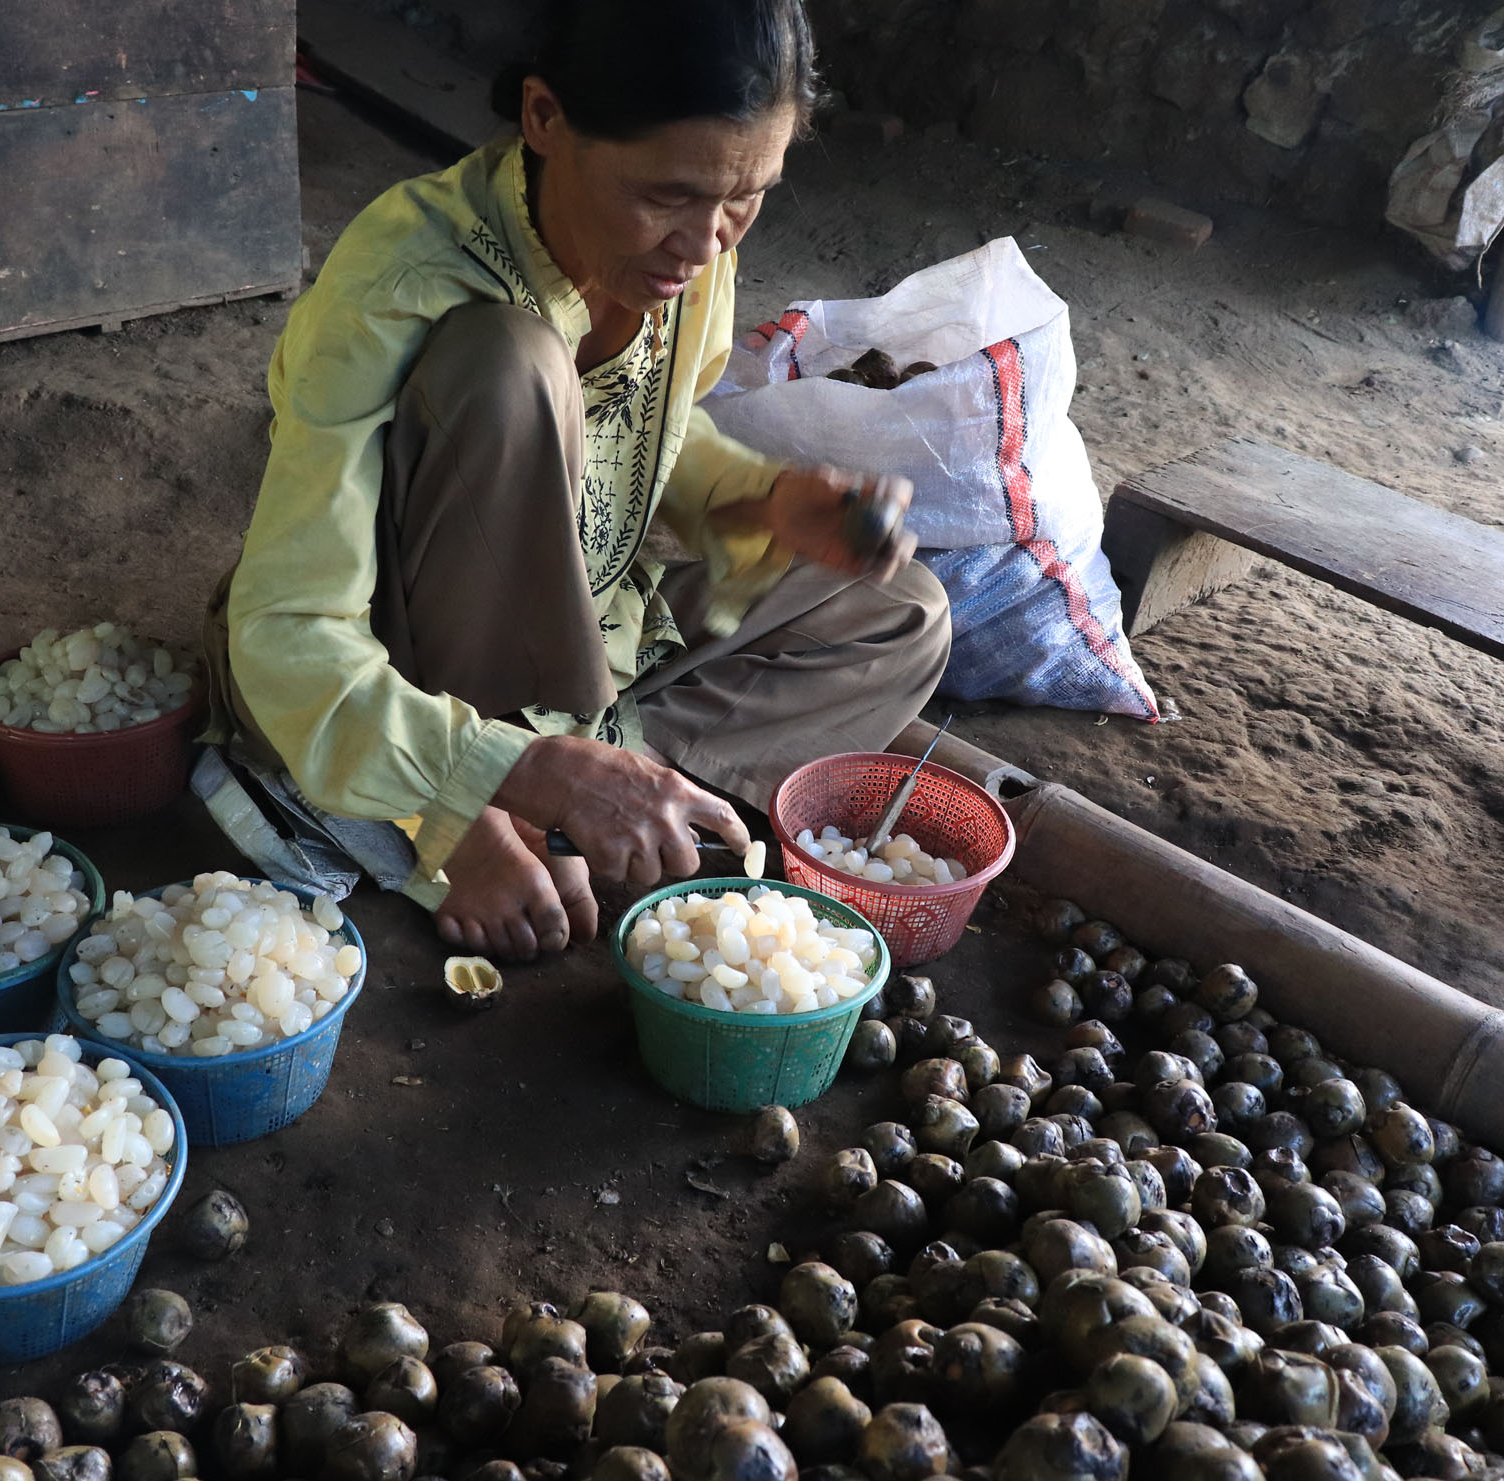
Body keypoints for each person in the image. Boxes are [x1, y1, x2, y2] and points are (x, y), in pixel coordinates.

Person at [206, 0, 951, 961]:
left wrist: (763, 501)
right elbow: (288, 630)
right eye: (668, 194)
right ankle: (473, 808)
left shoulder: (692, 249)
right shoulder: (401, 283)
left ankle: (589, 787)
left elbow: (644, 433)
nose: (706, 242)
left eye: (747, 195)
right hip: (405, 641)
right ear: (544, 118)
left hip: (583, 634)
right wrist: (480, 788)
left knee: (904, 614)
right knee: (508, 365)